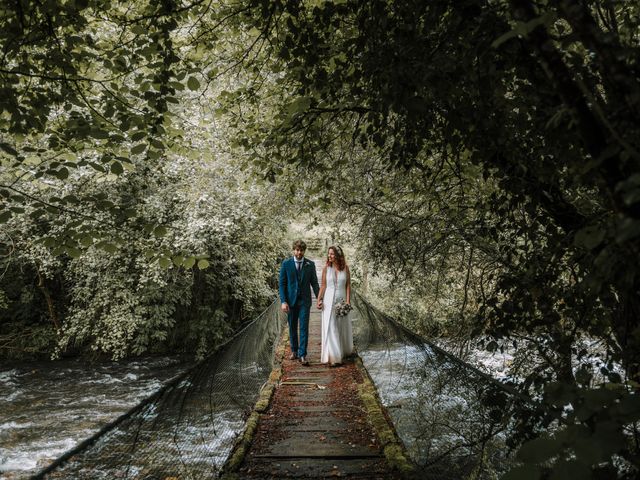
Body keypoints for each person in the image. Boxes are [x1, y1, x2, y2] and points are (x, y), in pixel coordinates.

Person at [279, 240, 320, 366]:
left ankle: (303, 354)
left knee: (303, 327)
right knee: (292, 326)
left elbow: (314, 283)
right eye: (297, 250)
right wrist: (283, 301)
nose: (299, 252)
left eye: (301, 250)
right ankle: (294, 351)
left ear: (304, 251)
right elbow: (282, 284)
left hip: (304, 301)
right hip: (290, 301)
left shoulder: (310, 264)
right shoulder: (286, 264)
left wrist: (320, 299)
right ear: (293, 250)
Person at [317, 245, 354, 366]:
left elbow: (348, 286)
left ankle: (342, 351)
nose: (329, 256)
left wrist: (348, 302)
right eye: (329, 254)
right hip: (328, 301)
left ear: (338, 255)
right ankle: (334, 357)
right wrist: (319, 299)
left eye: (332, 254)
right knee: (331, 327)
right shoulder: (326, 269)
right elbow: (323, 285)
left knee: (341, 327)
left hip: (342, 300)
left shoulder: (346, 268)